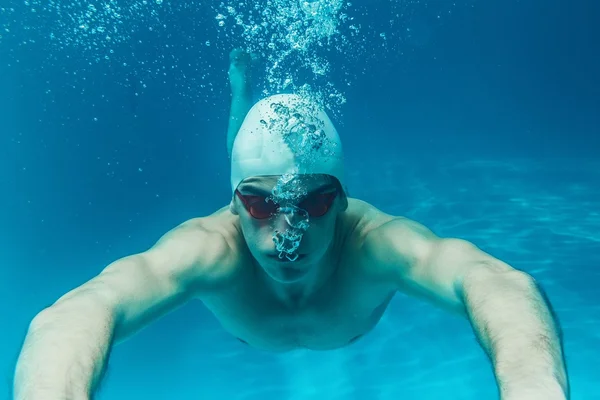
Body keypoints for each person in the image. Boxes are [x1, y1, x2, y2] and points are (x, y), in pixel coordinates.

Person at [14, 49, 569, 400]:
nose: (288, 232)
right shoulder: (212, 248)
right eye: (258, 206)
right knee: (242, 161)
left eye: (315, 203)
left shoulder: (374, 244)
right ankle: (241, 99)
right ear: (236, 208)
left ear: (344, 201)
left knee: (258, 171)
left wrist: (533, 387)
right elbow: (77, 314)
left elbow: (498, 284)